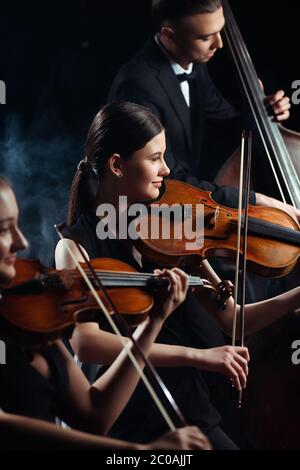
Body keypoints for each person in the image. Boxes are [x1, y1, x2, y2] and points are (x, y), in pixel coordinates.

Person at [55, 102, 300, 449]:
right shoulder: (75, 247)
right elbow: (87, 343)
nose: (166, 169)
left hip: (188, 408)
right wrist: (196, 356)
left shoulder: (172, 229)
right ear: (117, 165)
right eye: (154, 158)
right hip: (129, 422)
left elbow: (233, 319)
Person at [0, 176, 212, 451]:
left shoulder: (25, 315)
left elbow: (93, 415)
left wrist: (152, 323)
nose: (21, 242)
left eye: (17, 226)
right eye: (4, 230)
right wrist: (140, 453)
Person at [107, 0, 298, 223]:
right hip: (146, 215)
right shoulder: (137, 87)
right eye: (206, 37)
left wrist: (264, 113)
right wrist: (256, 200)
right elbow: (164, 181)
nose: (219, 44)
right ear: (169, 35)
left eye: (220, 32)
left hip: (184, 199)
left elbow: (228, 121)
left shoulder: (192, 61)